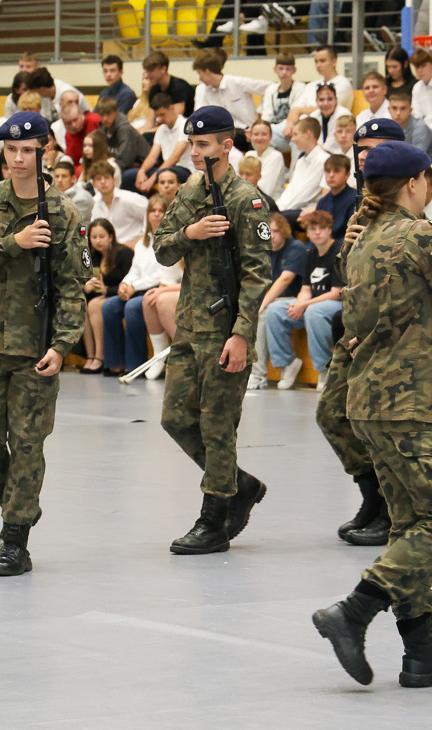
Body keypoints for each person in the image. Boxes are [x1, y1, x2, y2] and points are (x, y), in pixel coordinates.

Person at [312, 140, 432, 689]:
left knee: (410, 525)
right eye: (428, 179)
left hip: (367, 400)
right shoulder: (421, 237)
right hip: (411, 403)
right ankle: (354, 610)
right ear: (413, 183)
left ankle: (420, 652)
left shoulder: (361, 243)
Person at [0, 112, 91, 576]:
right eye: (10, 150)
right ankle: (16, 505)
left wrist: (63, 344)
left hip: (36, 349)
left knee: (29, 444)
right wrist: (14, 241)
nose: (17, 158)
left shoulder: (64, 212)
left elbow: (74, 285)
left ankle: (15, 538)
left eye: (27, 150)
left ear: (43, 151)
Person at [153, 106, 271, 555]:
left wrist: (241, 334)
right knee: (175, 418)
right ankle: (237, 483)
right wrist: (192, 232)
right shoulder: (190, 192)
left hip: (225, 331)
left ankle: (215, 518)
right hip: (190, 326)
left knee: (217, 425)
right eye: (192, 144)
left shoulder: (247, 200)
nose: (196, 152)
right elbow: (162, 248)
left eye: (204, 145)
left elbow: (258, 274)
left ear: (227, 145)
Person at [315, 118, 406, 550]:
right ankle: (373, 498)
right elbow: (347, 274)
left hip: (390, 339)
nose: (366, 155)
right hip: (354, 333)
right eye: (361, 148)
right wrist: (347, 245)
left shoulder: (408, 202)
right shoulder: (360, 205)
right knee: (332, 414)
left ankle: (392, 510)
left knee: (380, 425)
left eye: (376, 147)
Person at [264, 210, 343, 390]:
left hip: (336, 304)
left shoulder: (338, 251)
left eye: (321, 228)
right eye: (312, 229)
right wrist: (299, 303)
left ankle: (324, 369)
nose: (317, 232)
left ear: (329, 230)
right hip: (314, 304)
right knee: (275, 309)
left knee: (314, 312)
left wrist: (305, 305)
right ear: (306, 232)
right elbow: (306, 289)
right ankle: (287, 363)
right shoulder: (310, 253)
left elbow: (337, 292)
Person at [102, 195, 174, 374]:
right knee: (109, 306)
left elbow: (162, 273)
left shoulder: (171, 239)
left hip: (158, 288)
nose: (156, 215)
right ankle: (115, 363)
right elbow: (134, 270)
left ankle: (135, 365)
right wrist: (125, 284)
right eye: (153, 211)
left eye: (161, 211)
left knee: (133, 307)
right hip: (138, 288)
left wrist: (135, 286)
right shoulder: (143, 242)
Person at [247, 212, 309, 390]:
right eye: (268, 231)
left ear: (284, 231)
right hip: (271, 299)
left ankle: (258, 375)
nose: (271, 235)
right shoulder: (263, 250)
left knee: (263, 315)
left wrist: (261, 305)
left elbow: (284, 280)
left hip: (294, 298)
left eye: (275, 231)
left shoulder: (295, 247)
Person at [81, 218, 133, 375]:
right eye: (93, 237)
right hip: (102, 295)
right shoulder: (92, 256)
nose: (97, 241)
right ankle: (90, 356)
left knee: (94, 305)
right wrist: (86, 287)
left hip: (123, 295)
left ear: (111, 236)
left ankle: (100, 356)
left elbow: (130, 281)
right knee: (82, 305)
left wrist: (108, 290)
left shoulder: (124, 253)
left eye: (101, 236)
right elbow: (87, 280)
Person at [192, 48, 271, 151]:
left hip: (247, 130)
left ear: (207, 71)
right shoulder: (201, 89)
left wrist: (260, 113)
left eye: (199, 73)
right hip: (219, 133)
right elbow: (199, 116)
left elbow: (271, 87)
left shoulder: (237, 82)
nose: (199, 79)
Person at [125, 93, 193, 192]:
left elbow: (175, 157)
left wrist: (154, 178)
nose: (160, 119)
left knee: (164, 175)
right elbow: (152, 156)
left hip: (184, 168)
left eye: (162, 114)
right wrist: (142, 171)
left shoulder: (185, 126)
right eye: (157, 116)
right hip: (165, 168)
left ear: (171, 108)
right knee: (129, 176)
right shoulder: (161, 129)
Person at [276, 117, 330, 211]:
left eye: (295, 134)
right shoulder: (301, 161)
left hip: (305, 212)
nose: (292, 139)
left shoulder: (323, 160)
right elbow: (291, 190)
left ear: (307, 134)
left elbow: (304, 194)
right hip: (288, 209)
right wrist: (275, 208)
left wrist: (278, 211)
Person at [91, 161, 148, 246]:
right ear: (94, 184)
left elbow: (151, 214)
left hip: (133, 247)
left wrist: (140, 240)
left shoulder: (128, 198)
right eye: (99, 179)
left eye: (106, 178)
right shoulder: (94, 203)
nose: (103, 182)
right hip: (108, 250)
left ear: (114, 181)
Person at [261, 53, 306, 153]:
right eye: (281, 69)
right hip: (275, 132)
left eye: (288, 69)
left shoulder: (300, 88)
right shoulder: (271, 89)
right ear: (275, 69)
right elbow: (266, 116)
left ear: (294, 70)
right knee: (259, 137)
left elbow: (296, 111)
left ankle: (293, 169)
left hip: (291, 130)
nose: (284, 72)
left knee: (297, 137)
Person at [98, 98, 150, 173]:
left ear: (116, 113)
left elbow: (124, 160)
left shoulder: (125, 129)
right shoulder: (103, 129)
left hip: (141, 165)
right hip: (122, 165)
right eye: (102, 115)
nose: (105, 118)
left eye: (108, 114)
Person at [315, 154, 358, 241]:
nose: (331, 175)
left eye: (336, 171)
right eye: (328, 171)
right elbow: (316, 230)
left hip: (344, 247)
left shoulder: (355, 199)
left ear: (347, 175)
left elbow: (353, 234)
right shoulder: (322, 202)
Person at [143, 50, 195, 118]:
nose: (147, 75)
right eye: (147, 71)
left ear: (163, 69)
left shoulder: (179, 87)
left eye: (151, 71)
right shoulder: (154, 90)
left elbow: (176, 120)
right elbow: (150, 122)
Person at [389, 91, 432, 159]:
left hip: (429, 167)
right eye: (394, 108)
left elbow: (416, 157)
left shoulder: (420, 127)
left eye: (403, 108)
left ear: (410, 111)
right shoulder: (388, 126)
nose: (398, 113)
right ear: (389, 109)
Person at [245, 120, 286, 198]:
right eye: (256, 134)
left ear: (270, 137)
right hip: (249, 199)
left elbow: (265, 190)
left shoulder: (276, 156)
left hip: (270, 202)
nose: (259, 138)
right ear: (250, 136)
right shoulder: (249, 154)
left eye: (264, 134)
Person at [311, 83, 353, 153]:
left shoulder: (345, 115)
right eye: (321, 100)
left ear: (336, 100)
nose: (325, 103)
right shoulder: (313, 116)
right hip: (320, 154)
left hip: (341, 156)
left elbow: (329, 147)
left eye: (330, 99)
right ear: (316, 101)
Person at [53, 160, 93, 225]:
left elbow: (72, 224)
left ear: (73, 179)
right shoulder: (54, 194)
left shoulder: (82, 198)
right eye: (57, 176)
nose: (60, 180)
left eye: (64, 176)